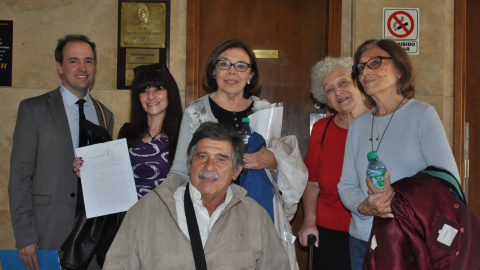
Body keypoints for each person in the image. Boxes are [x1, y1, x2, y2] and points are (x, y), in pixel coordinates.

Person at [168, 39, 307, 270]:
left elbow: (281, 161)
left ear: (251, 74)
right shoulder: (196, 112)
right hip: (210, 213)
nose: (232, 71)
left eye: (241, 65)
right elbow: (181, 170)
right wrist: (163, 206)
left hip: (260, 212)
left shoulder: (265, 110)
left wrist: (273, 161)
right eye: (224, 64)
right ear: (213, 71)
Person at [337, 39, 460, 270]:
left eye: (375, 62)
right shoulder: (358, 125)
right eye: (361, 67)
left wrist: (398, 201)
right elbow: (346, 185)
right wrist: (364, 207)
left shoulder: (422, 114)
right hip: (361, 242)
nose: (365, 72)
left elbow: (448, 182)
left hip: (408, 240)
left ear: (400, 69)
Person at [103, 122, 290, 269]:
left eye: (221, 159)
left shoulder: (255, 217)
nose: (209, 167)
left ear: (236, 170)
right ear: (188, 162)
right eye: (202, 157)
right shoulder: (147, 210)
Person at [8, 34, 114, 270]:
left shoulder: (105, 114)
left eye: (89, 61)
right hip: (47, 231)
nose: (82, 68)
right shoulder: (33, 109)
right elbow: (19, 177)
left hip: (91, 237)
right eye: (73, 61)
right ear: (59, 66)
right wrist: (26, 236)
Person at [298, 56, 369, 270]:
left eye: (343, 82)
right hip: (329, 233)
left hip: (372, 231)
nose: (337, 92)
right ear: (325, 98)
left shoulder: (379, 124)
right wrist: (309, 221)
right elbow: (311, 183)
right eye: (329, 89)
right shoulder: (322, 128)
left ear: (359, 82)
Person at [74, 63, 183, 198]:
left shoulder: (184, 135)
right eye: (144, 91)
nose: (151, 96)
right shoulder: (127, 132)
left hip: (167, 215)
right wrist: (88, 172)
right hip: (129, 215)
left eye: (158, 89)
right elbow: (113, 178)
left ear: (170, 93)